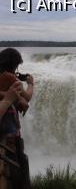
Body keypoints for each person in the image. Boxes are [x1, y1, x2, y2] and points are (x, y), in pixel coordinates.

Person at [0, 48, 34, 189]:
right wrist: (31, 84)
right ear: (14, 64)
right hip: (10, 131)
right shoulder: (11, 78)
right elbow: (27, 97)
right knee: (14, 167)